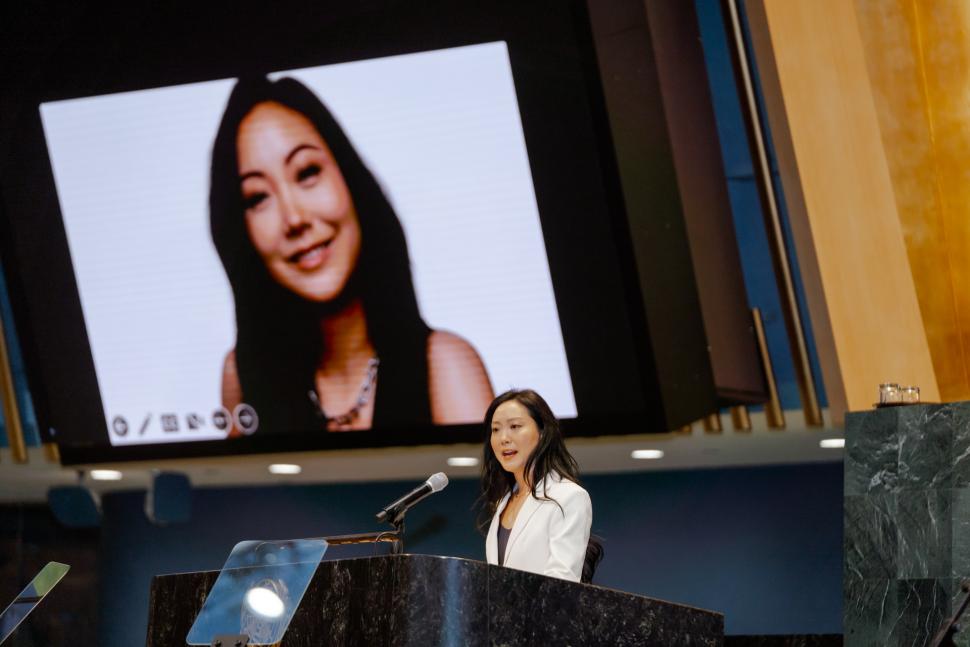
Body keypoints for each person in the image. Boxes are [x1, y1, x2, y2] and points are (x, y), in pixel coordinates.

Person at [209, 76, 493, 435]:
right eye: (257, 198)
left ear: (350, 181)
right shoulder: (242, 374)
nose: (294, 219)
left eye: (307, 173)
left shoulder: (445, 363)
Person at [479, 389, 596, 583]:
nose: (503, 438)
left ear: (542, 432)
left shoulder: (569, 496)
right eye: (496, 429)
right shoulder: (503, 502)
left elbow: (561, 582)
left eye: (515, 426)